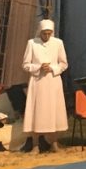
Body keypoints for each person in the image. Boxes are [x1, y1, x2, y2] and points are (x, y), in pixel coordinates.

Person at [21, 19, 69, 153]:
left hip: (53, 82)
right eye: (44, 33)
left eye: (49, 33)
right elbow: (25, 64)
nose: (46, 36)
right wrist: (38, 67)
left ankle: (54, 143)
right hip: (37, 83)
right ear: (40, 32)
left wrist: (52, 68)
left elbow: (63, 64)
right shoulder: (32, 43)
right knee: (36, 112)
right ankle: (35, 145)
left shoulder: (58, 43)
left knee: (53, 112)